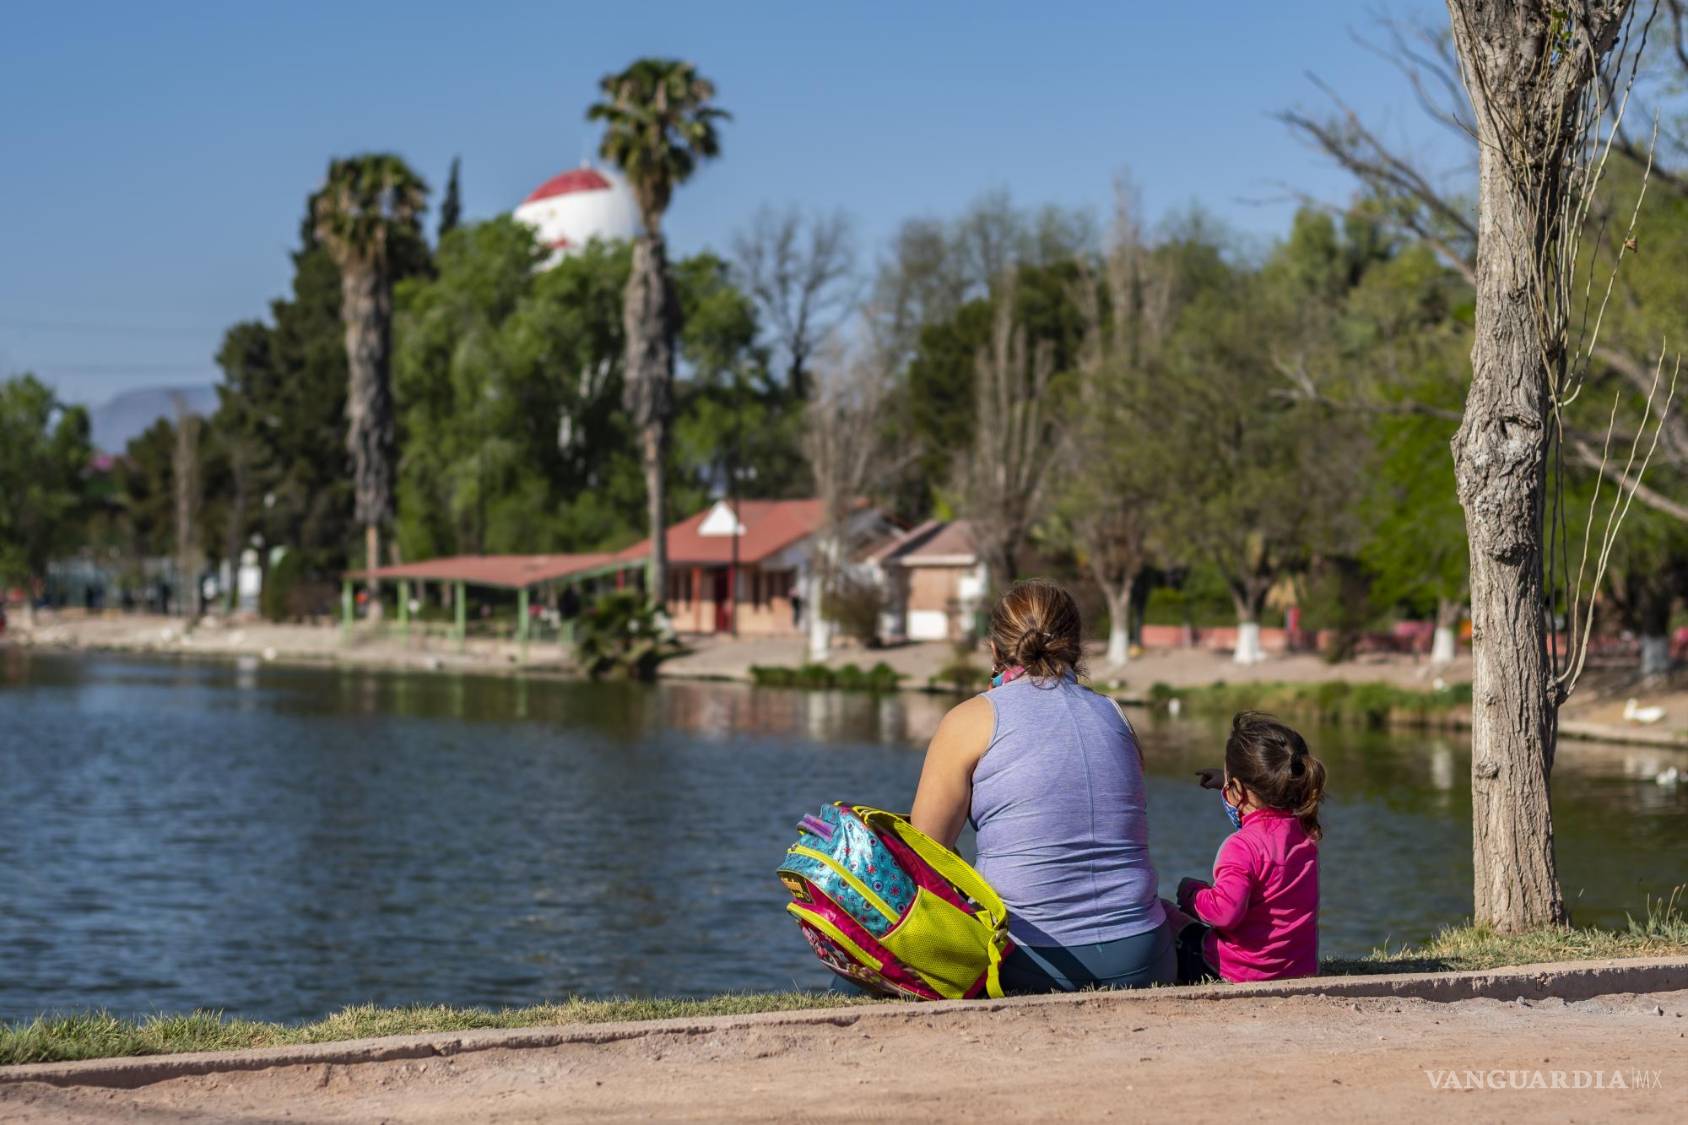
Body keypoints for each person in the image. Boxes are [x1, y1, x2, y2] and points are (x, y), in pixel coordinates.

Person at [911, 578, 1175, 992]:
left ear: (995, 649)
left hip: (1028, 960)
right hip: (1145, 956)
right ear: (1076, 647)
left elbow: (923, 854)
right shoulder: (1116, 715)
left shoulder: (968, 719)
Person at [1172, 712, 1324, 983]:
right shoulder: (1304, 834)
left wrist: (1191, 894)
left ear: (1238, 789)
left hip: (1239, 972)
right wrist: (1227, 783)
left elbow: (1224, 913)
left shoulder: (1242, 846)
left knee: (1166, 915)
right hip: (1298, 970)